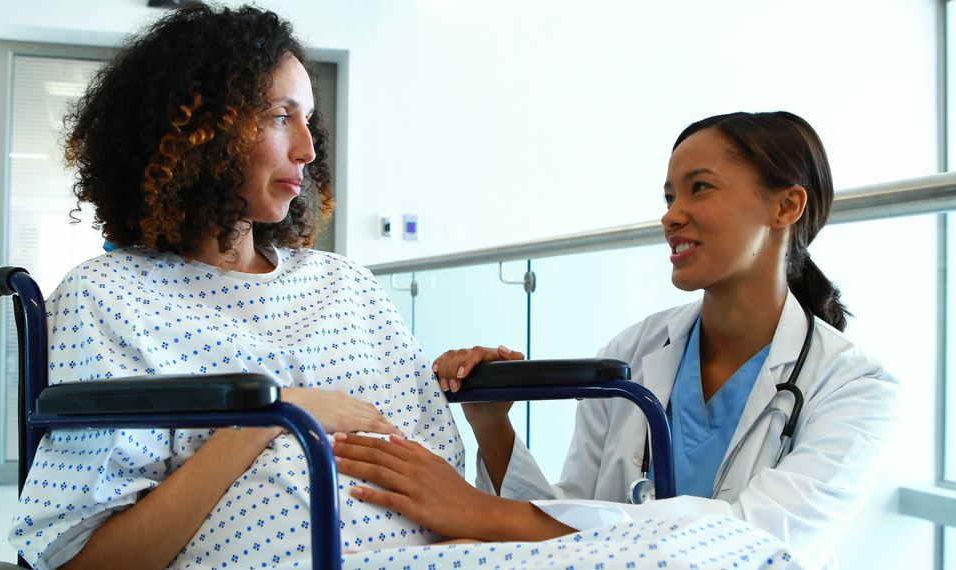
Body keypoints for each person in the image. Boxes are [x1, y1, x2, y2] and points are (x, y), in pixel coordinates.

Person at [332, 111, 899, 568]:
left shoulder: (856, 389)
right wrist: (492, 424)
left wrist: (478, 513)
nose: (672, 216)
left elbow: (745, 545)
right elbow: (566, 525)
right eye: (668, 197)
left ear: (787, 206)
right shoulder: (635, 351)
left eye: (698, 189)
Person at [8, 5, 464, 569]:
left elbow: (449, 486)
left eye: (308, 120)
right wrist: (273, 417)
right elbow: (89, 561)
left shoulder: (348, 285)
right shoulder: (108, 298)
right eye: (279, 116)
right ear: (198, 130)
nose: (308, 150)